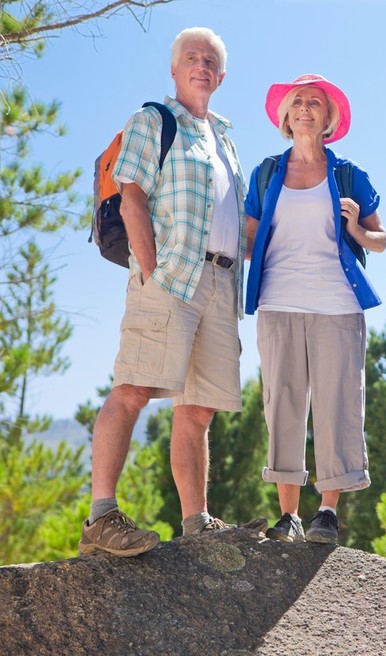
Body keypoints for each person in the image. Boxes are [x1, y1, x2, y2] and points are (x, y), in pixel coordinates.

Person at [79, 27, 261, 557]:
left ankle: (196, 522)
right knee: (134, 388)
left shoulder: (225, 138)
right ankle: (101, 517)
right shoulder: (153, 121)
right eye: (191, 58)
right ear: (175, 70)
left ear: (221, 76)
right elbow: (132, 196)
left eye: (210, 60)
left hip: (222, 282)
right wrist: (151, 268)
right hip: (170, 276)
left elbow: (241, 222)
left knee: (198, 407)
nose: (201, 65)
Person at [244, 74, 386, 544]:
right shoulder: (266, 173)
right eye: (298, 102)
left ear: (328, 118)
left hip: (338, 304)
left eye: (315, 103)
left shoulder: (349, 174)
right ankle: (289, 515)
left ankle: (327, 511)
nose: (306, 108)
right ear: (286, 117)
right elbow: (248, 237)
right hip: (278, 301)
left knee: (337, 403)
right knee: (282, 402)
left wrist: (357, 230)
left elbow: (380, 239)